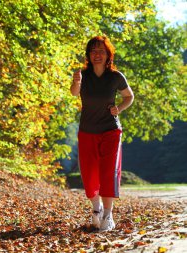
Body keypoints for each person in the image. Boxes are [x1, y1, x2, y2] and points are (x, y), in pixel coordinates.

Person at [70, 36, 134, 232]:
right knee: (89, 174)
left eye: (101, 51)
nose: (97, 54)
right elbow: (74, 93)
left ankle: (108, 215)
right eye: (93, 51)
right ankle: (96, 210)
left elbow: (129, 96)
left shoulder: (116, 76)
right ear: (89, 55)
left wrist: (119, 108)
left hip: (110, 131)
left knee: (108, 173)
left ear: (108, 55)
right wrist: (76, 81)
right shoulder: (83, 75)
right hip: (87, 131)